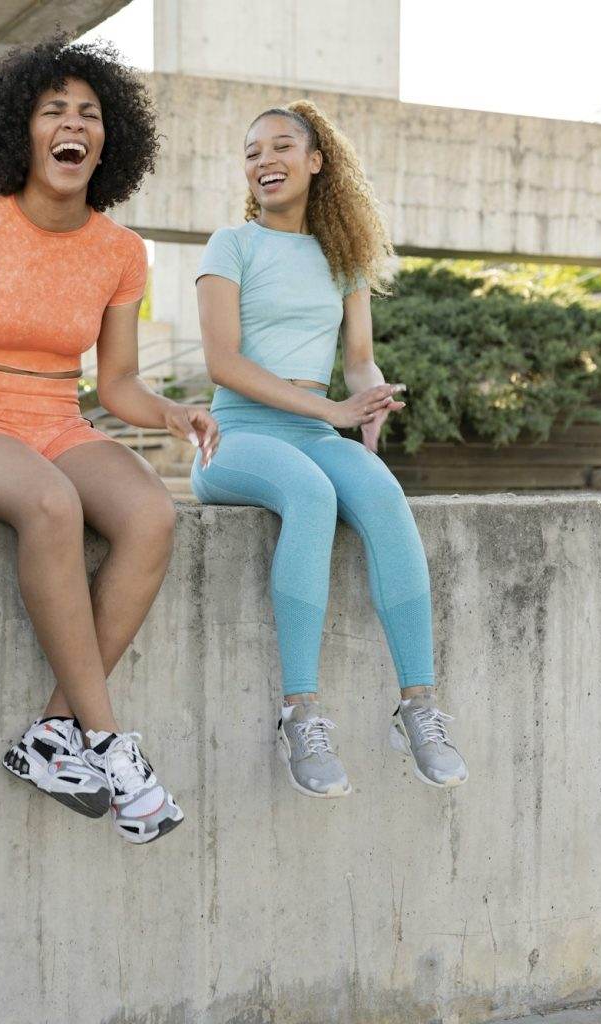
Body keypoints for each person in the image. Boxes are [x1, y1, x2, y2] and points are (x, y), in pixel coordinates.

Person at [0, 38, 218, 845]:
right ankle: (111, 743)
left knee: (152, 515)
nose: (72, 124)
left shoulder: (121, 251)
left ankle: (52, 735)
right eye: (54, 111)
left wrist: (171, 415)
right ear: (22, 130)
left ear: (108, 138)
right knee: (52, 506)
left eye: (88, 113)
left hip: (58, 417)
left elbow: (115, 385)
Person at [190, 100, 468, 798]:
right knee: (311, 495)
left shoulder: (344, 260)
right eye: (252, 151)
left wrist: (369, 404)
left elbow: (358, 361)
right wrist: (331, 410)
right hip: (236, 436)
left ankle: (419, 706)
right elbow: (222, 361)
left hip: (316, 432)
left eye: (282, 147)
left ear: (317, 162)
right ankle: (300, 714)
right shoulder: (232, 245)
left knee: (379, 491)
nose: (264, 161)